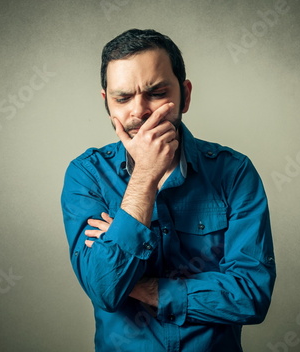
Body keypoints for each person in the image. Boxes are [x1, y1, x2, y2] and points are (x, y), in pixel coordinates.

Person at [61, 28, 276, 351]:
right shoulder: (86, 175)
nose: (139, 111)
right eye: (123, 98)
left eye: (157, 93)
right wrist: (144, 177)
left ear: (185, 96)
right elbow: (106, 290)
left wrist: (141, 286)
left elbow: (250, 296)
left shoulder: (234, 172)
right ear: (107, 103)